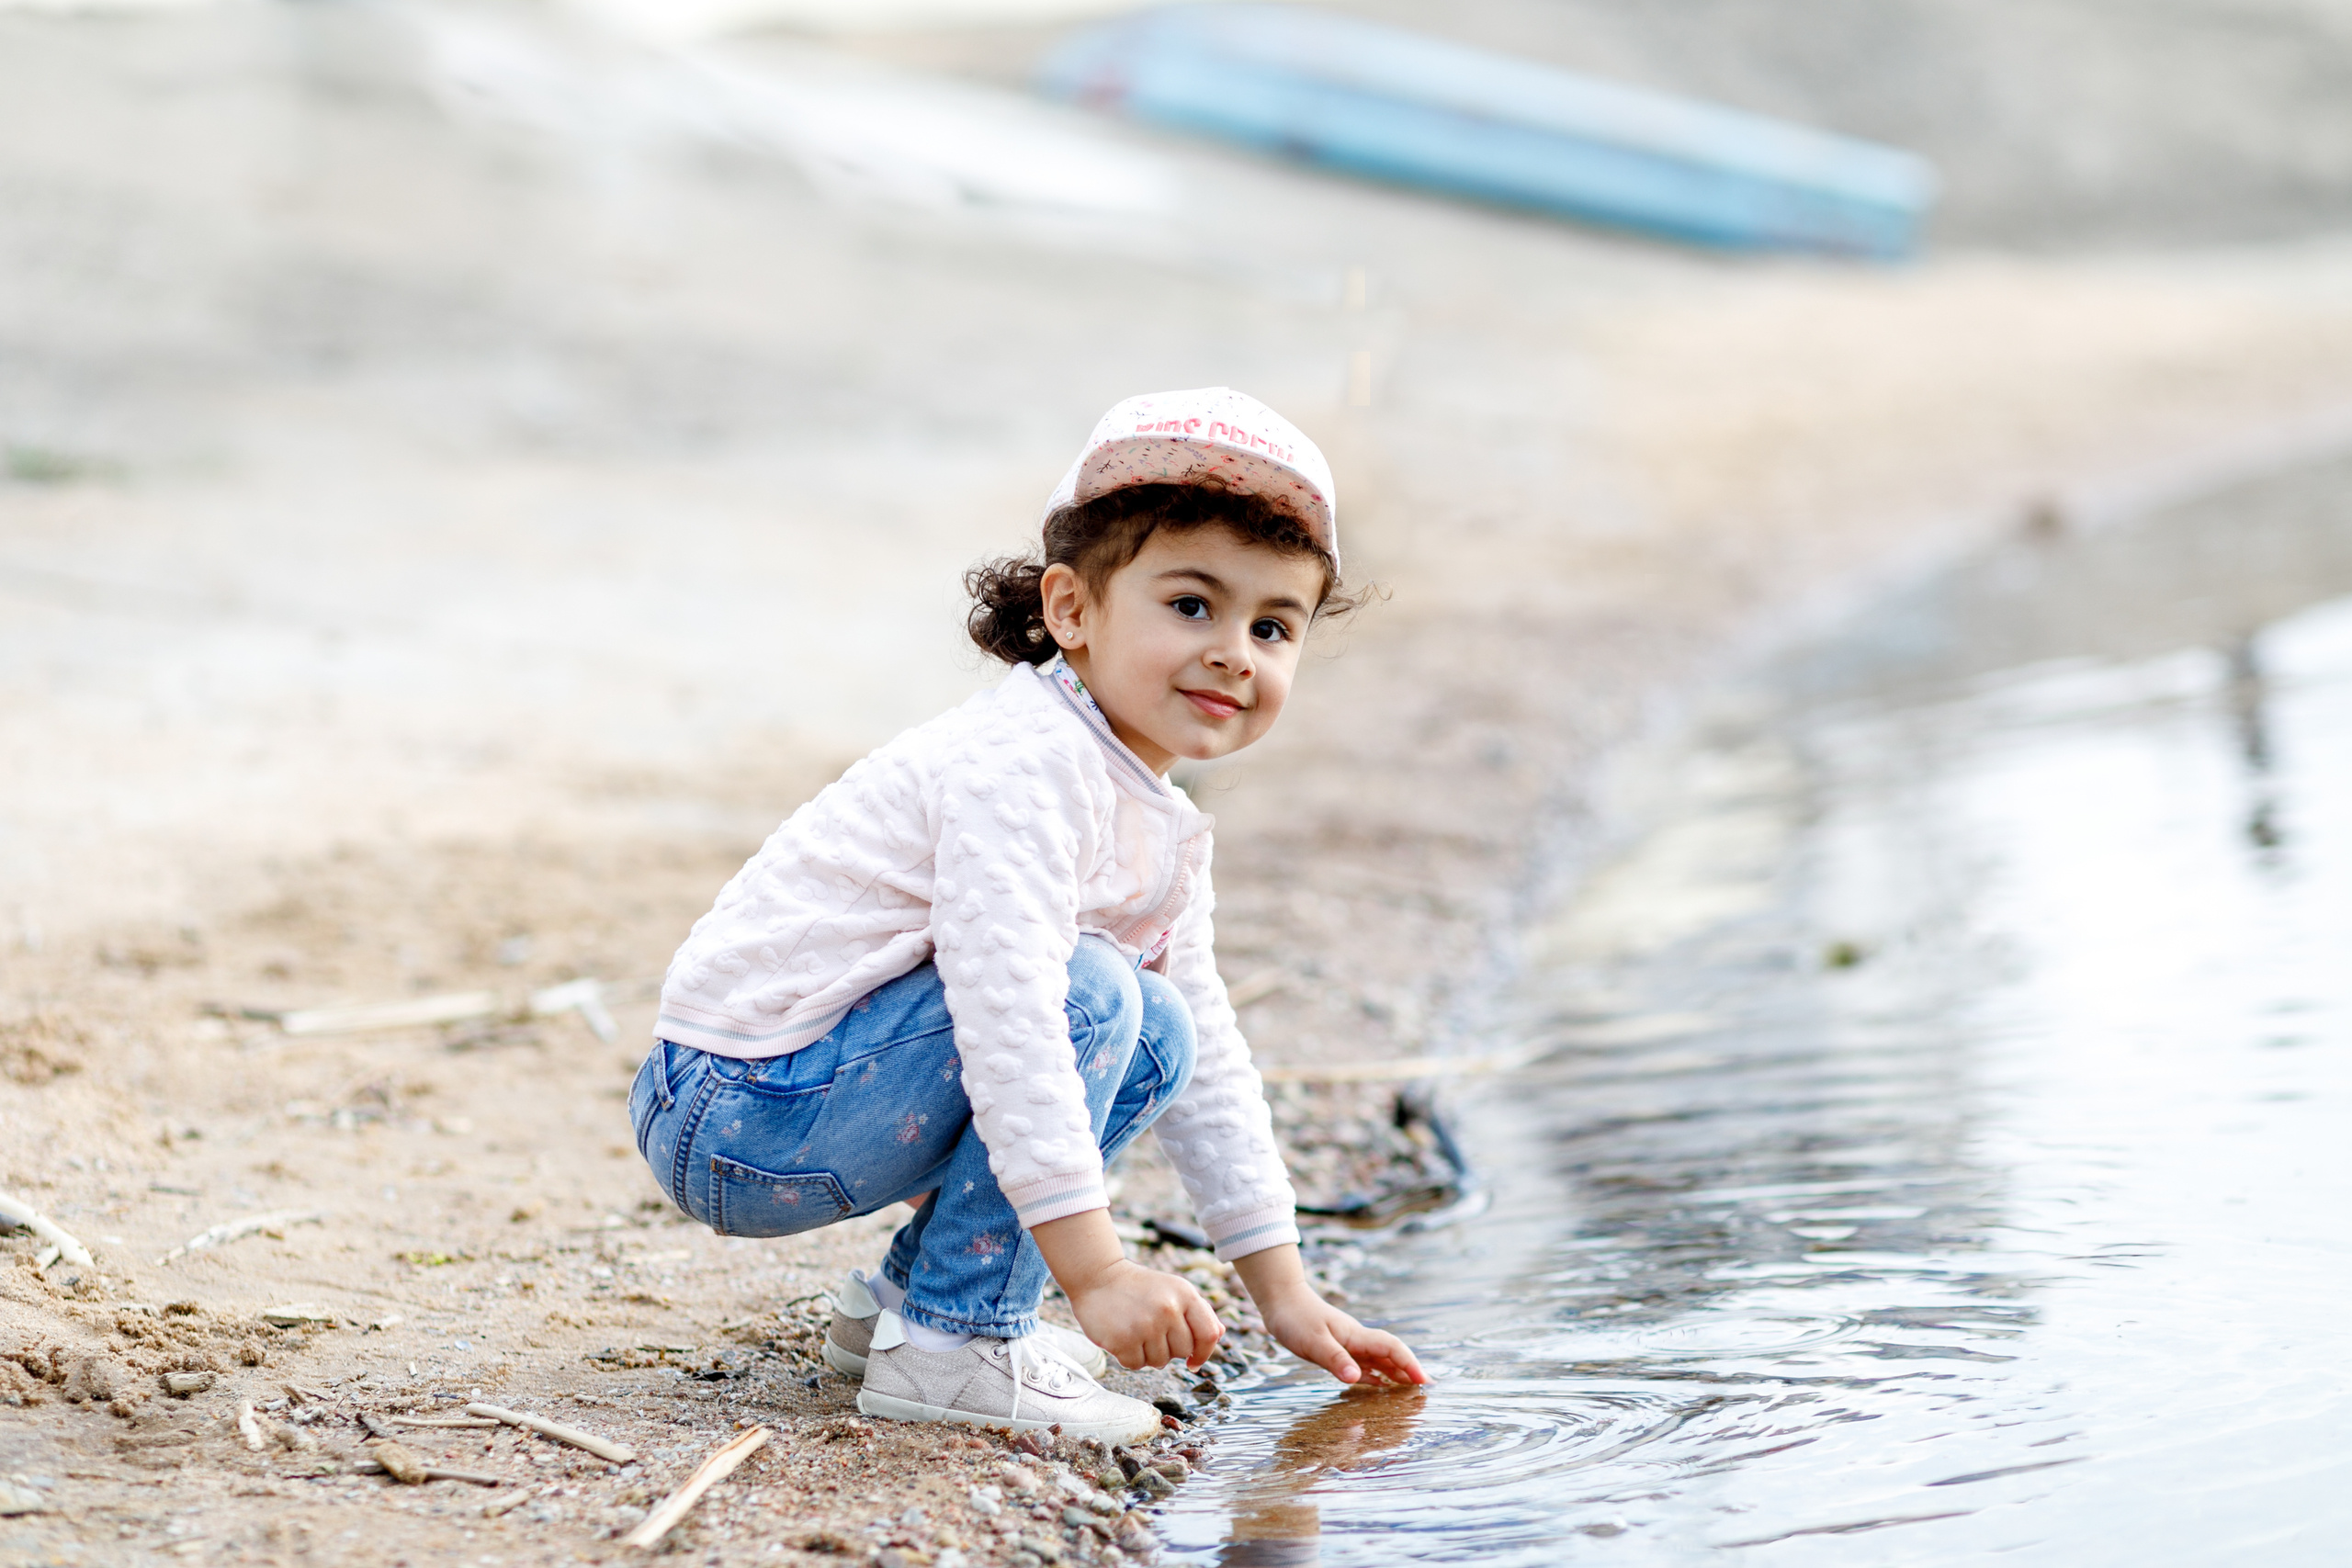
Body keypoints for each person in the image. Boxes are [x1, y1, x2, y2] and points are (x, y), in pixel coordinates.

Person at [631, 387, 1427, 1440]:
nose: (1236, 650)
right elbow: (1011, 1020)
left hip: (812, 1095)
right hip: (740, 1111)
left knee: (1164, 1027)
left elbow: (1206, 1053)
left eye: (1271, 625)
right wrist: (1096, 1275)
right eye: (1192, 606)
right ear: (1072, 610)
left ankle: (909, 1312)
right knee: (1090, 998)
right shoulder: (1025, 766)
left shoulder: (1146, 804)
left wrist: (1286, 1295)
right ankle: (955, 1342)